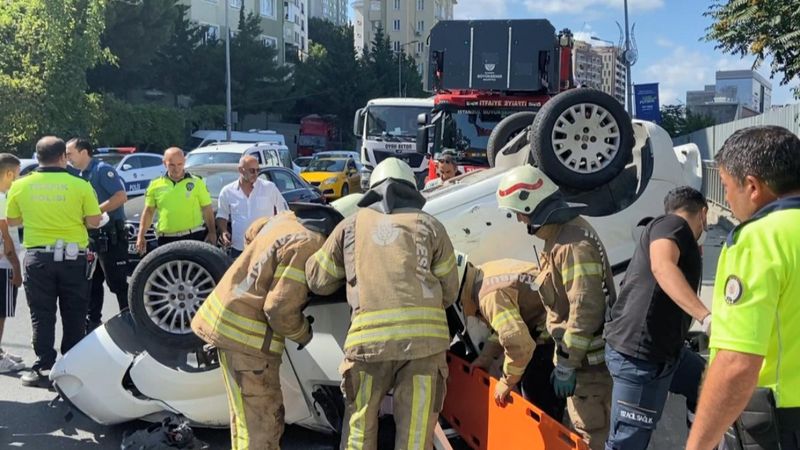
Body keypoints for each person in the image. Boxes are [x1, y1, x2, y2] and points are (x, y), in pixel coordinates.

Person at [306, 157, 460, 450]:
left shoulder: (350, 226)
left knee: (360, 426)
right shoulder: (431, 226)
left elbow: (318, 280)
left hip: (368, 346)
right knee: (415, 432)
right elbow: (449, 290)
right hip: (424, 346)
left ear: (372, 188)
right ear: (412, 190)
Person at [192, 202, 343, 450]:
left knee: (244, 419)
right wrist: (304, 333)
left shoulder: (285, 220)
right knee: (263, 422)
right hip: (247, 340)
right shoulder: (310, 244)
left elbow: (252, 232)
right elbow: (279, 309)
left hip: (223, 321)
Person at [686, 126, 800, 450]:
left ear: (751, 186)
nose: (727, 201)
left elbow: (737, 363)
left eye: (725, 187)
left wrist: (698, 445)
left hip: (777, 430)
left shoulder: (758, 240)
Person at [496, 165, 614, 450]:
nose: (520, 220)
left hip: (589, 368)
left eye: (519, 212)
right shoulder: (559, 238)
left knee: (591, 436)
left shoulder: (571, 243)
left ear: (531, 205)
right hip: (580, 362)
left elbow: (585, 310)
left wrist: (567, 365)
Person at [603, 186, 710, 450]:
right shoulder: (672, 224)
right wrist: (707, 318)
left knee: (704, 384)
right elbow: (662, 266)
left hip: (666, 353)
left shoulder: (675, 233)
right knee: (627, 443)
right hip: (640, 359)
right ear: (704, 214)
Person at [7, 136, 102, 387]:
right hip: (74, 258)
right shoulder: (80, 184)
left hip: (37, 258)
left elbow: (13, 221)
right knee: (74, 313)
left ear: (37, 157)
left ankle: (44, 364)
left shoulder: (20, 185)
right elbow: (94, 220)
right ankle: (70, 366)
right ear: (62, 157)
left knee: (41, 314)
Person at [460, 257, 566, 421]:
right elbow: (508, 329)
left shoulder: (487, 296)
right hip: (550, 321)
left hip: (551, 332)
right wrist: (486, 357)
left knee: (535, 393)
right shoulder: (484, 274)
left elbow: (519, 343)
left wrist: (506, 382)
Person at [66, 138, 129, 330]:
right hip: (92, 236)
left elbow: (120, 196)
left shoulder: (102, 170)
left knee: (117, 282)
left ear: (84, 152)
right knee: (92, 282)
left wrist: (95, 211)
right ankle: (93, 322)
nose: (68, 157)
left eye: (70, 153)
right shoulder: (81, 174)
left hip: (111, 235)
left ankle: (129, 320)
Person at [136, 147, 216, 254]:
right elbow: (148, 212)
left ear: (184, 162)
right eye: (172, 165)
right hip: (165, 239)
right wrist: (140, 236)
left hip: (193, 236)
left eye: (180, 164)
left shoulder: (197, 182)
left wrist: (212, 232)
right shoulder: (155, 185)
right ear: (164, 163)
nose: (176, 169)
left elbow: (207, 208)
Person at [216, 155, 287, 258]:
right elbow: (222, 215)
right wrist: (223, 231)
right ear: (241, 170)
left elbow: (284, 212)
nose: (256, 174)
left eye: (258, 170)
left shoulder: (269, 188)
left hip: (265, 247)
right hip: (239, 248)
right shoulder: (227, 191)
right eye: (252, 171)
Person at [0, 154, 23, 373]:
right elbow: (6, 238)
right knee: (0, 313)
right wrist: (16, 268)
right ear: (9, 173)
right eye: (17, 174)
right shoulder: (1, 198)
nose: (18, 178)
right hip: (3, 265)